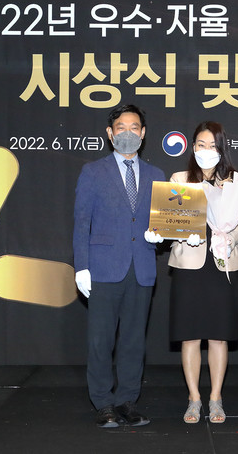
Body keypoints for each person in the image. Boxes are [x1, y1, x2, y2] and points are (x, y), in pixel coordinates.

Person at [73, 104, 166, 428]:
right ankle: (103, 402)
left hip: (141, 267)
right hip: (102, 268)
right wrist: (81, 267)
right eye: (121, 127)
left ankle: (127, 400)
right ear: (110, 134)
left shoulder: (157, 176)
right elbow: (82, 222)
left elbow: (162, 223)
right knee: (101, 340)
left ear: (143, 133)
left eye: (134, 127)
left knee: (133, 341)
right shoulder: (92, 172)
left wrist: (160, 236)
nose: (128, 133)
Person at [145, 121, 238, 425]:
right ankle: (193, 398)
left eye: (213, 145)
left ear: (221, 148)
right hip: (189, 265)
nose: (206, 150)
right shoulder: (179, 179)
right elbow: (169, 221)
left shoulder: (233, 180)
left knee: (218, 336)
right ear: (192, 147)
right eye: (201, 144)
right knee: (189, 336)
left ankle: (215, 398)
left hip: (221, 265)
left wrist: (229, 239)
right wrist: (172, 234)